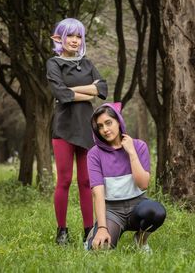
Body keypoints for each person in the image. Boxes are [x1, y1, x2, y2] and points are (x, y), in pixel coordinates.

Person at [46, 18, 108, 246]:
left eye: (78, 36)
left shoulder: (88, 63)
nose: (74, 40)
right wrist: (86, 92)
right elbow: (60, 95)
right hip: (63, 128)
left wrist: (72, 89)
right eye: (69, 36)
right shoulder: (53, 63)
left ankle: (88, 230)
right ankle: (62, 231)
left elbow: (101, 89)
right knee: (64, 180)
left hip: (86, 128)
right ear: (58, 38)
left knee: (86, 181)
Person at [86, 103, 166, 253]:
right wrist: (102, 228)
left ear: (118, 121)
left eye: (108, 123)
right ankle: (94, 234)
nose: (105, 129)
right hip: (112, 212)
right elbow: (97, 193)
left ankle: (140, 241)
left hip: (138, 206)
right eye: (100, 126)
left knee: (156, 212)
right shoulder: (94, 154)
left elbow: (143, 184)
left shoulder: (139, 146)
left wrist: (131, 152)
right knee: (99, 251)